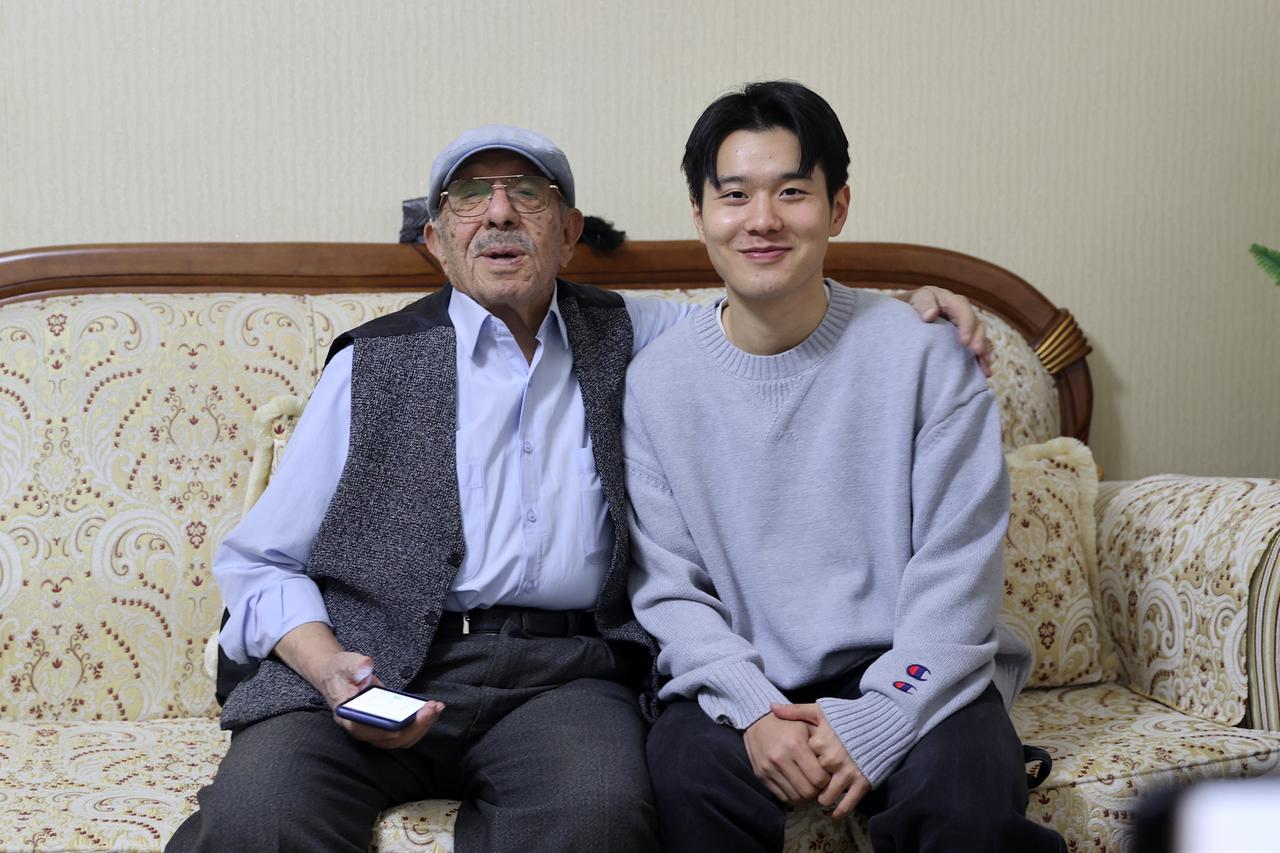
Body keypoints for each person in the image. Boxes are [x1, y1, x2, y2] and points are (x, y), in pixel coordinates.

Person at [167, 123, 993, 853]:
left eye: (527, 193)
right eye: (468, 198)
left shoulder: (638, 333)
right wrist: (329, 668)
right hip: (378, 657)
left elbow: (769, 300)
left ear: (567, 233)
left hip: (564, 673)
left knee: (596, 819)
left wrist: (913, 309)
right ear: (435, 237)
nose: (498, 214)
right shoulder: (371, 364)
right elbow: (259, 562)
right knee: (258, 819)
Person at [623, 82, 1067, 853]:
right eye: (735, 196)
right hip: (747, 666)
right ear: (700, 216)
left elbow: (958, 569)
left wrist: (885, 714)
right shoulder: (654, 380)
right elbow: (667, 585)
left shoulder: (928, 355)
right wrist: (754, 706)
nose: (762, 219)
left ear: (838, 208)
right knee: (687, 780)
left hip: (916, 660)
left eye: (792, 192)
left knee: (966, 802)